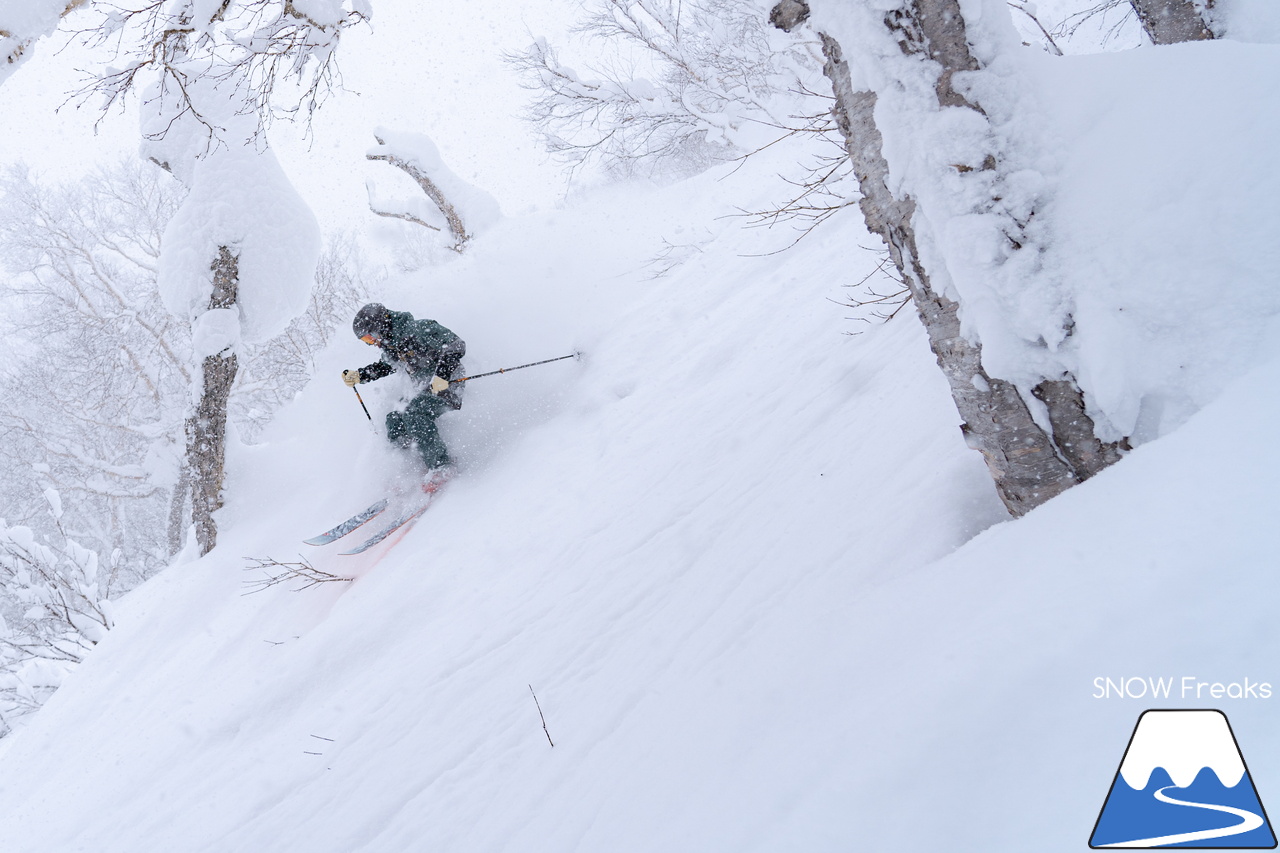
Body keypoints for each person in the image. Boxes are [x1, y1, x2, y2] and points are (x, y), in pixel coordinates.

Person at [342, 303, 465, 473]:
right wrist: (360, 375)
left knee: (414, 413)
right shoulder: (392, 345)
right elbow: (386, 366)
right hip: (423, 389)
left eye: (370, 338)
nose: (372, 343)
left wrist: (442, 376)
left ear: (380, 326)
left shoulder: (420, 329)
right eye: (366, 341)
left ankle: (442, 466)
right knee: (394, 419)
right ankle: (410, 468)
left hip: (448, 384)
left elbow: (455, 345)